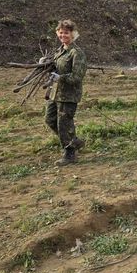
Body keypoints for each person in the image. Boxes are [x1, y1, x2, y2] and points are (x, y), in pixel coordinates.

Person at [45, 20, 88, 166]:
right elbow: (55, 67)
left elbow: (77, 76)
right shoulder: (59, 51)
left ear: (73, 34)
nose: (63, 35)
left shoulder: (77, 53)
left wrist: (60, 78)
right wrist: (45, 63)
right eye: (61, 32)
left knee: (64, 124)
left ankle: (70, 154)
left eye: (66, 33)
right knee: (50, 119)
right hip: (55, 93)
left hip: (69, 95)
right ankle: (73, 141)